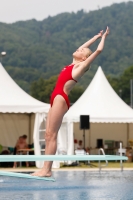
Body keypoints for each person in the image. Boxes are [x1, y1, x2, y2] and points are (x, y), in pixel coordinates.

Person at [32, 26, 109, 177]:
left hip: (61, 98)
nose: (79, 49)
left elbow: (98, 51)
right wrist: (96, 36)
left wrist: (104, 37)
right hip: (55, 96)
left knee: (52, 134)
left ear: (84, 58)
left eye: (82, 51)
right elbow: (83, 47)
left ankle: (47, 170)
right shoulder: (72, 63)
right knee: (47, 134)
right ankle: (44, 168)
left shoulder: (81, 66)